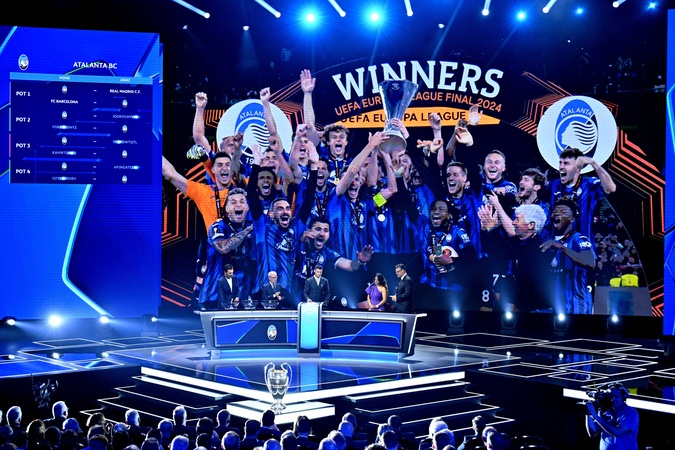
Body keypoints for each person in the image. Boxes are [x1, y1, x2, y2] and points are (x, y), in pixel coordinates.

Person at [540, 198, 596, 314]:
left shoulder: (579, 239)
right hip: (554, 306)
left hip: (577, 306)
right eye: (555, 211)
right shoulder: (547, 241)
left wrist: (561, 247)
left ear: (572, 219)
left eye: (562, 211)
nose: (557, 214)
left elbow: (590, 262)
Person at [548, 147, 616, 242]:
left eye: (566, 163)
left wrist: (593, 163)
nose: (561, 167)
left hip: (583, 245)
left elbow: (611, 188)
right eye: (560, 163)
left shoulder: (589, 184)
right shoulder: (554, 185)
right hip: (555, 245)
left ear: (577, 168)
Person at [585, 383, 639, 450]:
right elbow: (592, 433)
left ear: (624, 397)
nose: (613, 399)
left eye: (616, 396)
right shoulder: (605, 412)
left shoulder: (631, 413)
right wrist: (588, 412)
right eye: (611, 396)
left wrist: (596, 417)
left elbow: (617, 432)